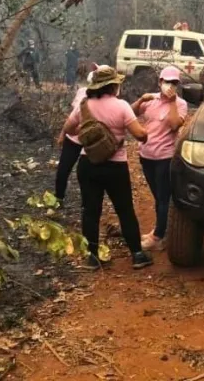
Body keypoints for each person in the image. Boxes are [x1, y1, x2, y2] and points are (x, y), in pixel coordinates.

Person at [58, 65, 153, 269]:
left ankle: (92, 257)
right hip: (115, 166)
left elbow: (68, 128)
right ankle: (137, 254)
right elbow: (139, 134)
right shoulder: (121, 106)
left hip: (87, 164)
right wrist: (145, 133)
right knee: (124, 209)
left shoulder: (84, 105)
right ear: (113, 86)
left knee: (90, 211)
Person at [132, 67, 188, 252]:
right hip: (146, 154)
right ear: (159, 82)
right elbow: (130, 114)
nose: (170, 85)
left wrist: (171, 102)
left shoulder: (180, 104)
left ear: (178, 85)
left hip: (164, 157)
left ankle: (158, 236)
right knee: (158, 196)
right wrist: (141, 99)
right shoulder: (152, 100)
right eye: (166, 82)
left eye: (174, 82)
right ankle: (161, 229)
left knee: (163, 198)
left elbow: (174, 125)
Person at [54, 63, 99, 204]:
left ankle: (87, 202)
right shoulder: (82, 93)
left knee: (86, 173)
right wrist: (63, 133)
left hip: (88, 140)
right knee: (63, 169)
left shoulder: (102, 99)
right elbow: (72, 116)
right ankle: (58, 197)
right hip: (74, 137)